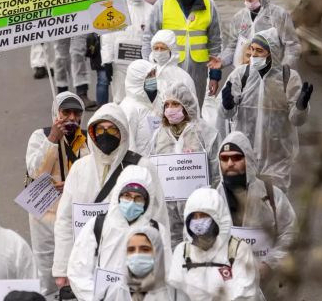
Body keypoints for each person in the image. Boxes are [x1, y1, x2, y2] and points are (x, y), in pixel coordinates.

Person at [53, 104, 166, 295]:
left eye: (112, 129)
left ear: (122, 131)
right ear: (92, 132)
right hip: (86, 260)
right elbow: (65, 219)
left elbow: (159, 216)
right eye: (101, 129)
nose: (106, 134)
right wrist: (62, 267)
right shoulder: (80, 168)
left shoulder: (141, 166)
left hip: (132, 260)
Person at [218, 28, 312, 190]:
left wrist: (300, 106)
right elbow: (227, 115)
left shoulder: (288, 78)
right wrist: (227, 105)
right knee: (247, 206)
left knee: (275, 206)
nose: (253, 55)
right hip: (245, 156)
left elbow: (296, 120)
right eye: (252, 49)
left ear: (272, 53)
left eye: (259, 51)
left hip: (277, 159)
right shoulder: (241, 75)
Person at [68, 165, 171, 301]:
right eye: (127, 196)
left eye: (138, 198)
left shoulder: (157, 231)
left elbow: (167, 276)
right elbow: (78, 271)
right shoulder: (98, 225)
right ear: (118, 195)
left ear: (147, 202)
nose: (131, 203)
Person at [25, 92, 91, 298]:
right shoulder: (40, 136)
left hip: (77, 212)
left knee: (80, 263)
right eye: (66, 112)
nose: (71, 118)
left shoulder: (89, 138)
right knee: (47, 267)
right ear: (56, 113)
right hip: (45, 213)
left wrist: (73, 183)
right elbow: (35, 171)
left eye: (76, 113)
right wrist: (53, 139)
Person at [214, 132, 296, 291]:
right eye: (224, 158)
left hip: (267, 285)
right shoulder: (213, 199)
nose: (230, 163)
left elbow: (290, 232)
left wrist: (270, 263)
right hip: (227, 286)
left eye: (236, 157)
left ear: (248, 160)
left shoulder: (271, 195)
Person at [149, 83, 221, 246]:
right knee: (171, 247)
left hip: (199, 209)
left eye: (175, 104)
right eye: (166, 105)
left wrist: (212, 202)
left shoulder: (205, 133)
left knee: (199, 249)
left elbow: (216, 173)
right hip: (168, 209)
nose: (170, 109)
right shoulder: (158, 135)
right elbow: (152, 170)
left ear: (187, 105)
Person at [143, 0, 222, 103]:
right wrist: (149, 71)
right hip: (168, 69)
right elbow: (148, 37)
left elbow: (215, 43)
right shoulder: (162, 4)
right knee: (168, 110)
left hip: (198, 71)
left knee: (195, 110)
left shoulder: (208, 5)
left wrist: (215, 76)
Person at [167, 188, 261, 300]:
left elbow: (246, 294)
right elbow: (176, 293)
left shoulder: (237, 249)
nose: (198, 221)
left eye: (203, 216)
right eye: (194, 217)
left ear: (218, 217)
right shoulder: (182, 251)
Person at [221, 0, 301, 70]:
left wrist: (285, 68)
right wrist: (222, 61)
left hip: (271, 73)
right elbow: (232, 47)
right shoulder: (239, 18)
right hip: (245, 74)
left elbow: (292, 45)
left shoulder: (278, 15)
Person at [101, 0, 153, 105]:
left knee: (141, 100)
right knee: (119, 99)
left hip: (141, 64)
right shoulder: (115, 8)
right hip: (119, 65)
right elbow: (107, 37)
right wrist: (107, 60)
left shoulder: (151, 11)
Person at [102, 224, 172, 301]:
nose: (137, 254)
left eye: (145, 249)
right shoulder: (114, 293)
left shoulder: (173, 295)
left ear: (157, 252)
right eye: (131, 250)